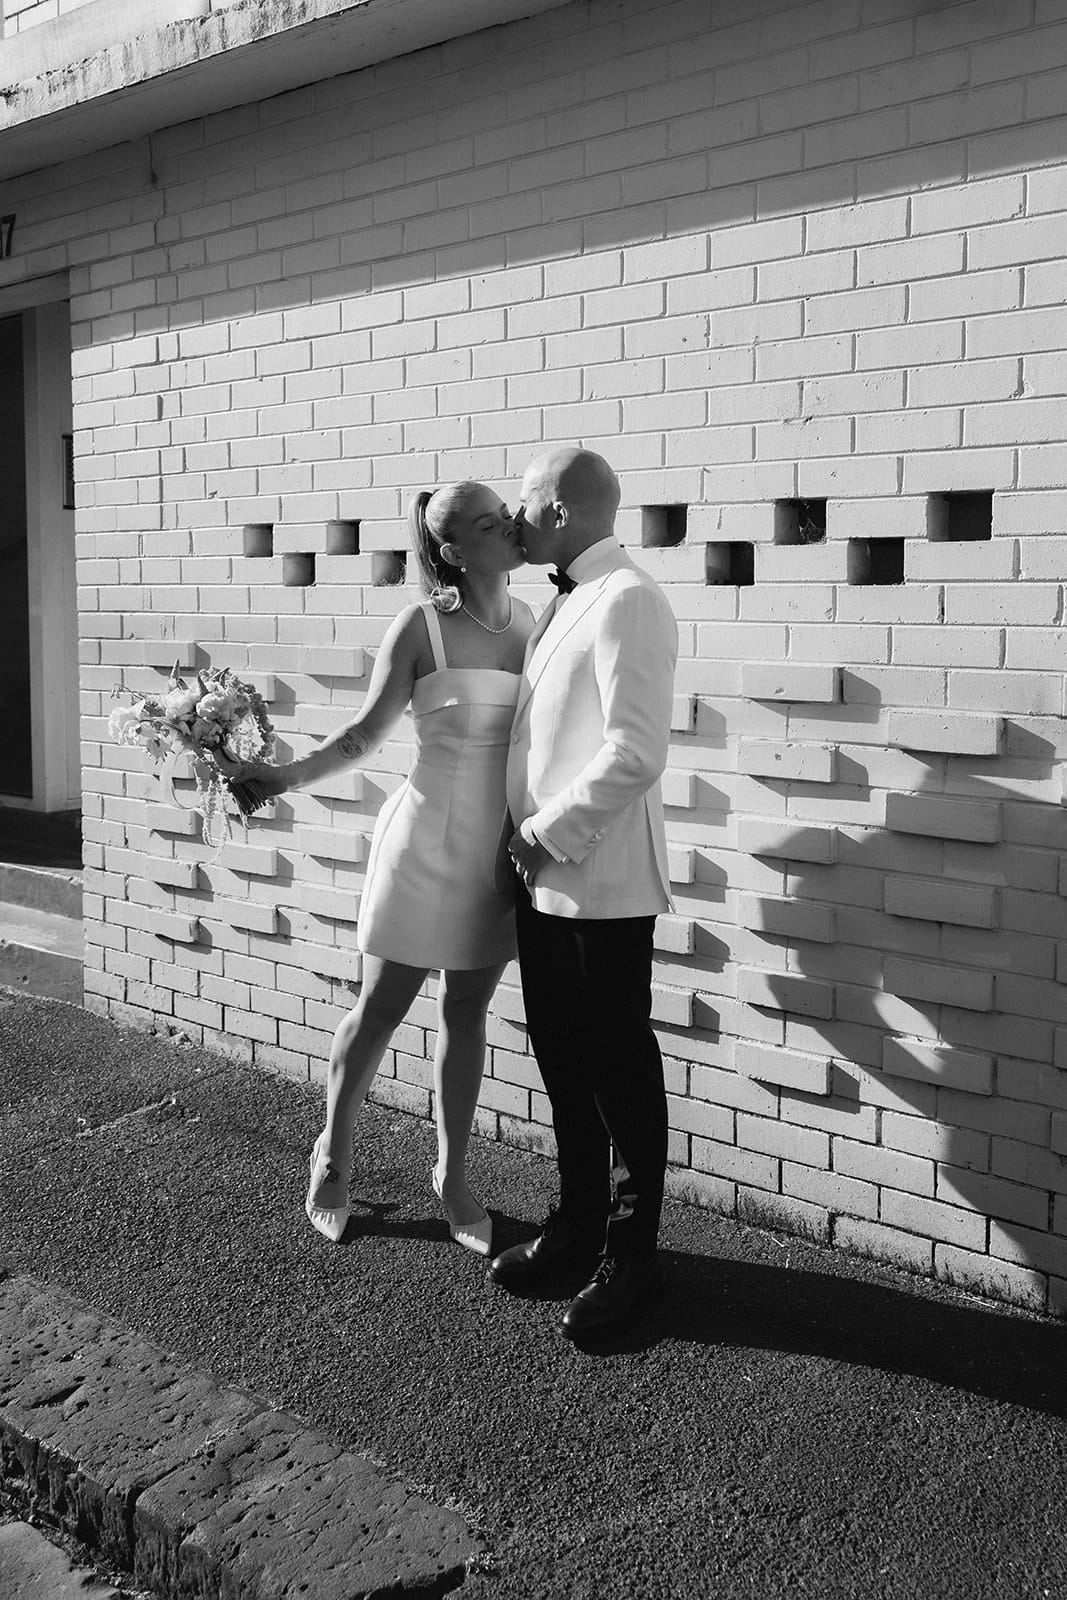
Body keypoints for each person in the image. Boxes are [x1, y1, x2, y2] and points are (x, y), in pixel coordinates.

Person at [215, 482, 534, 1255]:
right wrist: (283, 777)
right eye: (489, 522)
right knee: (381, 1007)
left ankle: (452, 1175)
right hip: (421, 844)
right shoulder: (419, 626)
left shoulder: (535, 621)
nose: (510, 525)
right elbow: (363, 735)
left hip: (495, 853)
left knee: (467, 1011)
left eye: (505, 514)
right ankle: (332, 1152)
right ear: (453, 551)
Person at [490, 446, 678, 1342]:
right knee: (562, 1059)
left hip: (597, 878)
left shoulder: (628, 597)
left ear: (559, 510)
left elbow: (635, 752)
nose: (513, 521)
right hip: (540, 877)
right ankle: (575, 1225)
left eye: (522, 506)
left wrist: (541, 834)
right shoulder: (562, 600)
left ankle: (632, 1259)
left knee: (617, 1072)